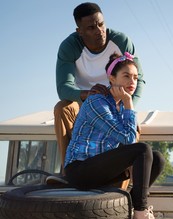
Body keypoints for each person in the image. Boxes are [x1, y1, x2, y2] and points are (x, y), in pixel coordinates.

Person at [64, 52, 172, 219]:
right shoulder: (96, 102)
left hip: (102, 170)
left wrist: (126, 105)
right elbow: (130, 140)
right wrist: (129, 103)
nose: (132, 81)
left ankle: (128, 210)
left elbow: (128, 141)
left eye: (136, 78)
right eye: (126, 76)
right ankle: (141, 216)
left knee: (158, 158)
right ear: (112, 78)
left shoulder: (120, 106)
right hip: (80, 170)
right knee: (143, 149)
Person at [54, 2, 145, 171]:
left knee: (132, 126)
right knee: (62, 108)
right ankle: (69, 171)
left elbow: (139, 80)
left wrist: (126, 106)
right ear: (79, 31)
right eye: (91, 28)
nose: (99, 31)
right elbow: (63, 88)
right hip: (85, 102)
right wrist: (87, 94)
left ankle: (119, 187)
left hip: (117, 101)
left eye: (101, 24)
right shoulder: (69, 46)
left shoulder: (121, 41)